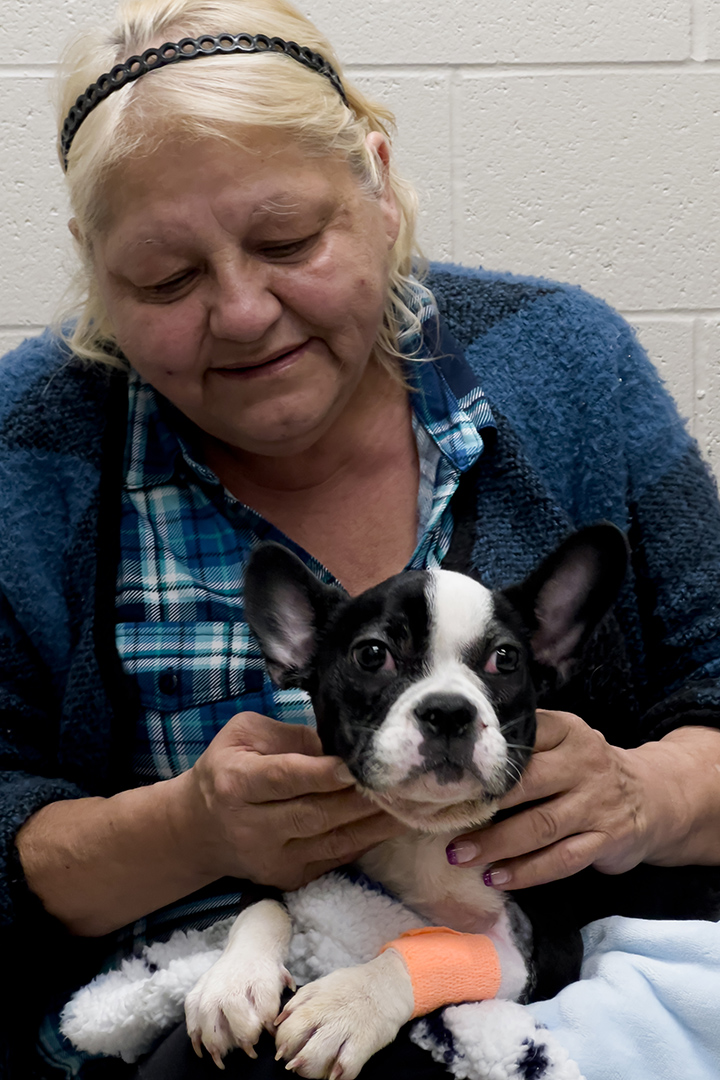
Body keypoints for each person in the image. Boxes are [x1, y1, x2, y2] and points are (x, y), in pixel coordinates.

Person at [3, 0, 720, 1076]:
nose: (243, 312)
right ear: (93, 263)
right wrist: (187, 831)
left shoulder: (567, 364)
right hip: (183, 1030)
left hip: (540, 1014)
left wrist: (640, 797)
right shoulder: (31, 446)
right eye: (166, 278)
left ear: (379, 188)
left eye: (288, 241)